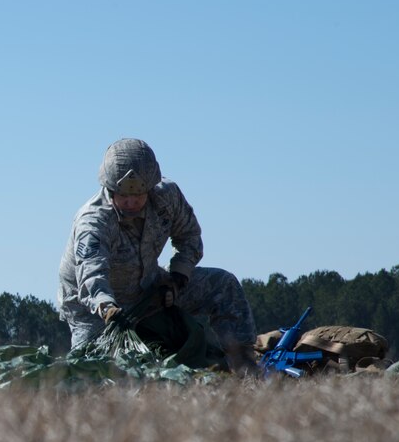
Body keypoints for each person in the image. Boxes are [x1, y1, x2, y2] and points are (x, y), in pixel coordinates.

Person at [58, 138, 257, 368]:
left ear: (151, 187)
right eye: (123, 196)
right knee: (90, 370)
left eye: (139, 195)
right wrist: (108, 308)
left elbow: (189, 236)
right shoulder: (93, 223)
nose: (131, 202)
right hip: (94, 310)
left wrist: (176, 279)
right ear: (110, 189)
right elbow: (92, 274)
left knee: (223, 285)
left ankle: (245, 368)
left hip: (150, 290)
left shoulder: (167, 198)